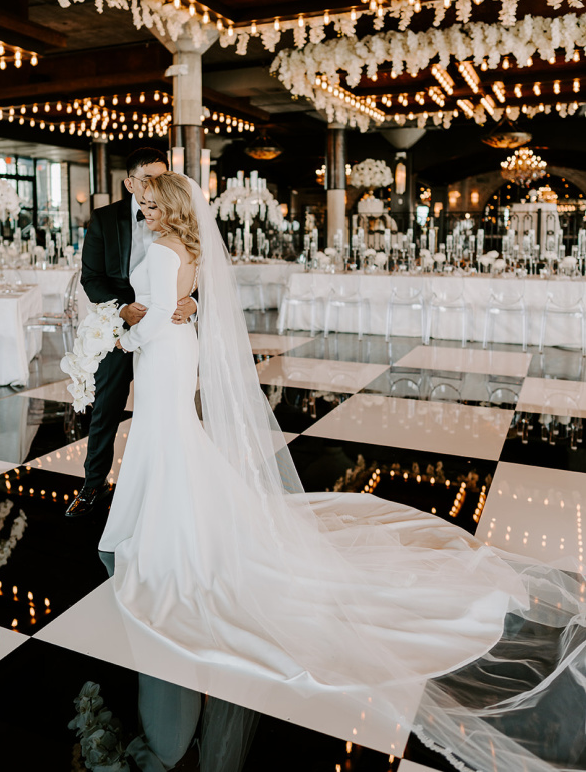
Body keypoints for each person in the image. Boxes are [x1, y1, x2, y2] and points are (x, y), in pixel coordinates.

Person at [98, 172, 586, 772]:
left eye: (150, 204)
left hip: (162, 356)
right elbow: (183, 302)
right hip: (175, 355)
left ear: (170, 207)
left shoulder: (165, 248)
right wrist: (164, 311)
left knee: (165, 435)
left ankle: (165, 533)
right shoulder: (183, 248)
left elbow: (153, 317)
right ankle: (161, 521)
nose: (141, 211)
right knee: (169, 436)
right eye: (140, 204)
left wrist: (115, 331)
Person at [65, 150, 197, 518]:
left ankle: (163, 492)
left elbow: (197, 277)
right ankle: (94, 486)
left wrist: (194, 305)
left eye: (162, 178)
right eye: (147, 181)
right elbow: (91, 278)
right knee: (106, 407)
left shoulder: (182, 226)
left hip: (166, 332)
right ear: (129, 183)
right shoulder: (104, 220)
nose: (154, 188)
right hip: (119, 325)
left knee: (167, 413)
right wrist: (122, 310)